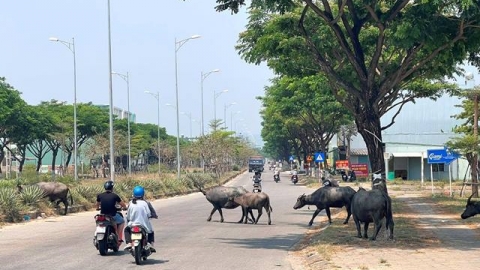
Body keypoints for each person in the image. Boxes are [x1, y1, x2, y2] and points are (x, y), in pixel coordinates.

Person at [124, 186, 156, 252]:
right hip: (144, 225)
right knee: (151, 231)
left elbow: (128, 216)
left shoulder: (131, 203)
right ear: (143, 194)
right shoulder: (145, 203)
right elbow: (149, 214)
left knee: (126, 230)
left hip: (133, 224)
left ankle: (129, 243)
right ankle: (150, 244)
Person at [96, 180, 127, 247]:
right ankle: (119, 238)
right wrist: (124, 208)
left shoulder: (100, 196)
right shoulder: (115, 196)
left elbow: (97, 205)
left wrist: (98, 208)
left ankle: (96, 235)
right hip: (112, 215)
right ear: (112, 188)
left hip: (103, 215)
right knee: (122, 221)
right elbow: (123, 205)